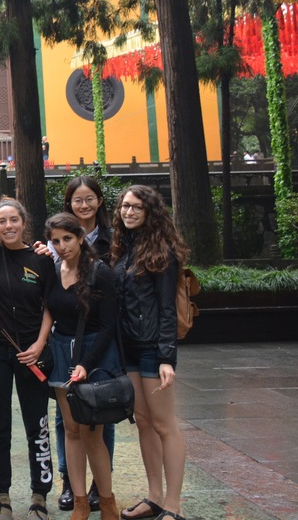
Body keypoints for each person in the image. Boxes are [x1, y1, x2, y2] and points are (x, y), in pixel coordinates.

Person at [111, 186, 188, 520]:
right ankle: (154, 497)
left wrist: (167, 358)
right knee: (142, 421)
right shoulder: (122, 248)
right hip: (127, 348)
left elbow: (168, 308)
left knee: (163, 424)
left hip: (153, 350)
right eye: (125, 206)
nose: (128, 212)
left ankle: (173, 504)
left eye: (136, 207)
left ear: (150, 211)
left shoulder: (162, 251)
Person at [0, 198, 54, 520]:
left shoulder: (40, 258)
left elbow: (51, 305)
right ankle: (2, 495)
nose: (8, 226)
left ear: (24, 222)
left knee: (37, 423)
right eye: (1, 221)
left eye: (13, 220)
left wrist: (39, 344)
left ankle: (40, 493)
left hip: (32, 352)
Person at [42, 213, 121, 520]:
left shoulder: (99, 272)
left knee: (92, 432)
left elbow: (108, 325)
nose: (62, 246)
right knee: (71, 431)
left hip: (92, 354)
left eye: (67, 239)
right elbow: (49, 311)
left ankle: (107, 500)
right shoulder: (52, 269)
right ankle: (79, 502)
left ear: (80, 238)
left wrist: (87, 364)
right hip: (62, 352)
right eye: (56, 241)